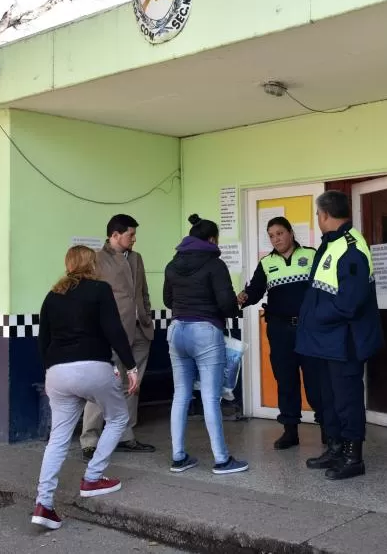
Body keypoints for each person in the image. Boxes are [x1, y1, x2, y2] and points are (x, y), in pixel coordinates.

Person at [32, 245, 139, 531]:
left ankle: (43, 504)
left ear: (68, 265)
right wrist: (131, 366)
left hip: (57, 372)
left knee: (58, 438)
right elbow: (114, 330)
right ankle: (92, 478)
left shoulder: (52, 295)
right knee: (118, 418)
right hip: (93, 367)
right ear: (92, 264)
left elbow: (43, 340)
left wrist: (51, 370)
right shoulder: (100, 290)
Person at [297, 190, 382, 481]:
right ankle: (335, 448)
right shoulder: (331, 243)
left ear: (323, 215)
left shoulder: (350, 246)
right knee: (330, 399)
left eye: (317, 214)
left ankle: (352, 456)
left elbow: (350, 301)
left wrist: (318, 316)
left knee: (347, 399)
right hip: (325, 342)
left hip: (343, 342)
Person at [163, 214, 249, 476]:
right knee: (211, 398)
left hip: (177, 330)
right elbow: (225, 304)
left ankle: (178, 457)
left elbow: (168, 300)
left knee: (180, 395)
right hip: (205, 332)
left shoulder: (173, 264)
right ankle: (222, 460)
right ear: (212, 239)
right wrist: (235, 306)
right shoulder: (214, 264)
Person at [238, 216, 321, 450]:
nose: (276, 239)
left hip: (309, 330)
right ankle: (290, 431)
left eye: (280, 233)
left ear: (291, 233)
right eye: (271, 236)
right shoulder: (266, 263)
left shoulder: (311, 255)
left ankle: (327, 428)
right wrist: (241, 298)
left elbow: (323, 289)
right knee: (286, 380)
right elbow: (254, 292)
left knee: (316, 380)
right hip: (280, 329)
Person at [80, 214, 156, 457]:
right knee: (101, 385)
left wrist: (146, 315)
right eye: (130, 235)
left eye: (134, 234)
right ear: (114, 235)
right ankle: (90, 440)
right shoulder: (97, 260)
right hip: (111, 333)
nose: (134, 239)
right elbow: (88, 296)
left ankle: (125, 435)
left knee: (132, 386)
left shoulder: (137, 258)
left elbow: (142, 292)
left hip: (140, 331)